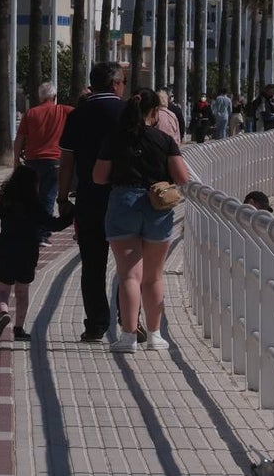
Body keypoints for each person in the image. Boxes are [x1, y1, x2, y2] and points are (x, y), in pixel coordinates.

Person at [92, 88, 190, 353]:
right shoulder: (163, 139)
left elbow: (99, 177)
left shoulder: (114, 139)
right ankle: (156, 335)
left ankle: (127, 337)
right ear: (155, 112)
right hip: (157, 206)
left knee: (129, 275)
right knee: (154, 276)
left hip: (123, 203)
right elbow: (182, 177)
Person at [58, 62, 126, 343]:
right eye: (122, 82)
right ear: (114, 84)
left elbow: (67, 163)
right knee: (128, 263)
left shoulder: (78, 114)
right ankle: (130, 318)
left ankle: (96, 324)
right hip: (124, 197)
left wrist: (62, 198)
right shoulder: (126, 112)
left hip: (89, 198)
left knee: (93, 264)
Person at [0, 164, 71, 342]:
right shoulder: (36, 207)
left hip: (5, 250)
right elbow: (55, 225)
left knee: (2, 290)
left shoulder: (6, 204)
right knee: (22, 292)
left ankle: (3, 312)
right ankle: (19, 329)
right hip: (28, 253)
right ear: (34, 186)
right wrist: (71, 215)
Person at [12, 81, 73, 247]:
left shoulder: (31, 113)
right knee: (48, 197)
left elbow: (20, 139)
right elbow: (82, 114)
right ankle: (42, 233)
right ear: (54, 96)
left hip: (32, 161)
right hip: (54, 161)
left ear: (40, 96)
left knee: (32, 196)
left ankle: (32, 230)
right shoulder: (63, 110)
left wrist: (16, 159)